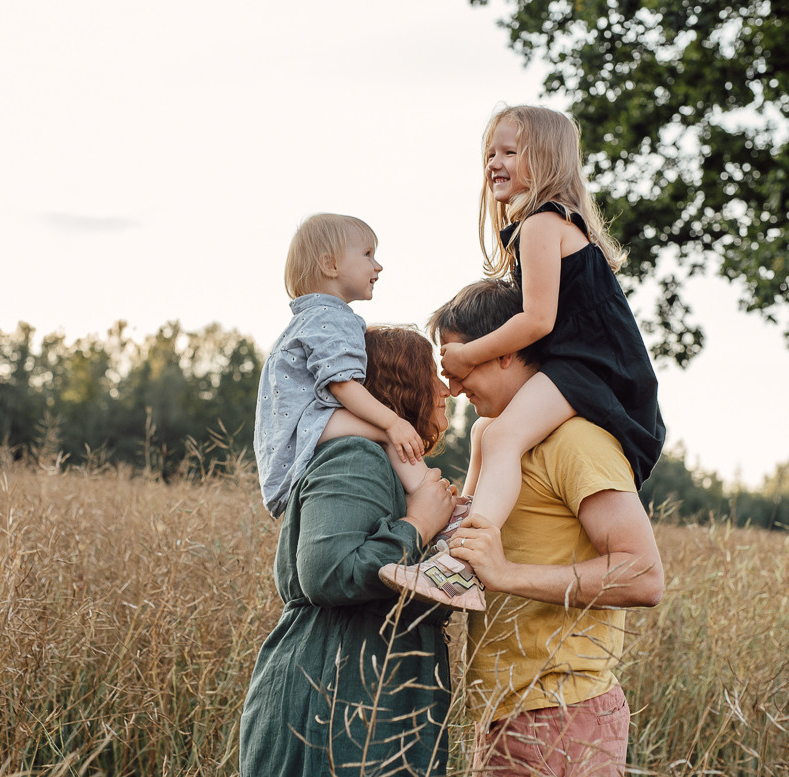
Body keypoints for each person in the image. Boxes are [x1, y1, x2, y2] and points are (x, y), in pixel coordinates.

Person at [381, 104, 665, 611]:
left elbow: (537, 322)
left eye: (511, 151)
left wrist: (466, 353)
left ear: (549, 161)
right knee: (487, 432)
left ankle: (462, 567)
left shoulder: (541, 222)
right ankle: (461, 536)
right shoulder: (536, 228)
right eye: (490, 152)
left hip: (597, 367)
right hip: (581, 363)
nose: (495, 161)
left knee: (505, 434)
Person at [431, 278, 665, 776]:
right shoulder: (495, 441)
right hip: (505, 715)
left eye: (461, 362)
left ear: (505, 352)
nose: (454, 387)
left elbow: (644, 576)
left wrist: (508, 573)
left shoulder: (575, 440)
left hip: (560, 715)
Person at [239, 325, 460, 777]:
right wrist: (417, 525)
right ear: (403, 385)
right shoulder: (356, 455)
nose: (445, 389)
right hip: (332, 700)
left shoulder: (392, 468)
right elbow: (327, 570)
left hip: (366, 696)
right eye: (430, 375)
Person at [254, 212, 430, 519]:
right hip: (309, 426)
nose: (378, 265)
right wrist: (393, 422)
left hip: (289, 438)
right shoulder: (331, 317)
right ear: (330, 265)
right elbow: (342, 385)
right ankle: (430, 497)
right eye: (367, 254)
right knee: (393, 433)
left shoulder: (305, 320)